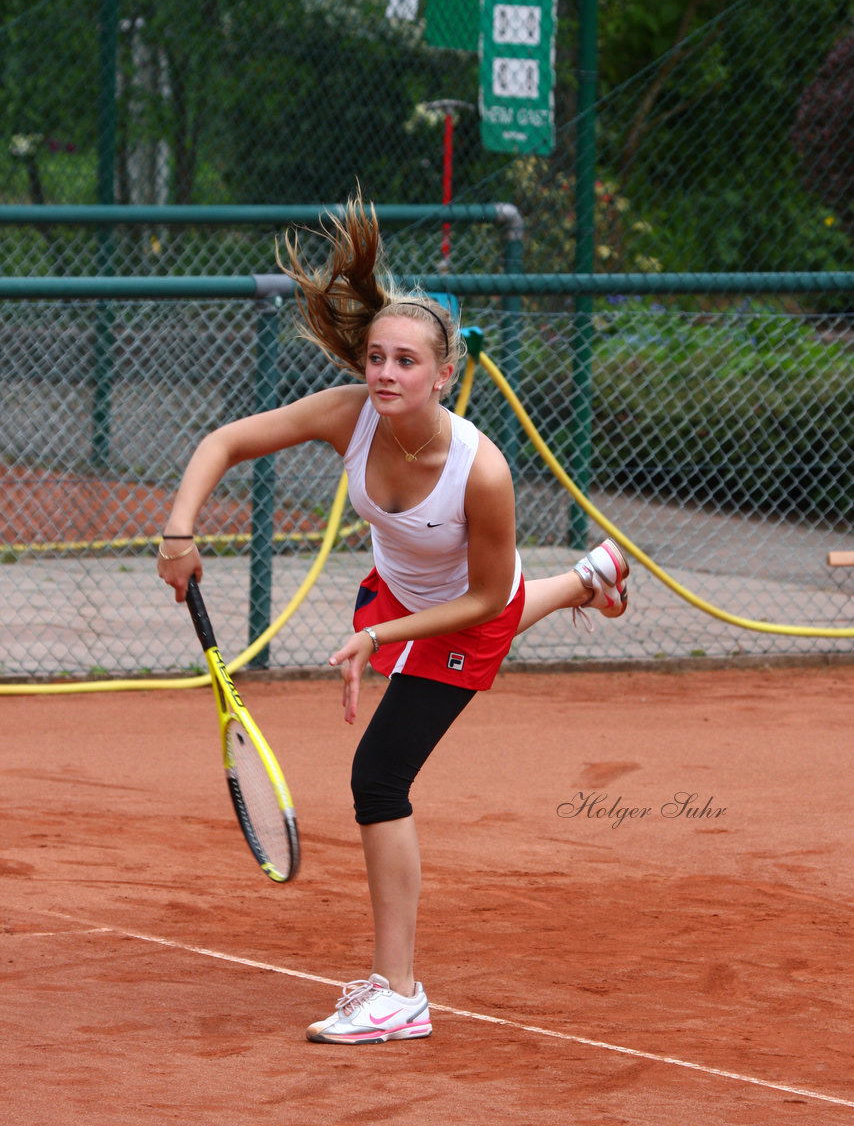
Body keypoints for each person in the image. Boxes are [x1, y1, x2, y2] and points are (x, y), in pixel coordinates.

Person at [156, 194, 629, 1045]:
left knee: (379, 780)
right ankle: (589, 578)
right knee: (511, 608)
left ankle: (399, 992)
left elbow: (486, 602)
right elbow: (223, 442)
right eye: (376, 357)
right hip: (402, 593)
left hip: (462, 610)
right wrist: (178, 530)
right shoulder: (351, 417)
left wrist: (379, 638)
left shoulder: (482, 475)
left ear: (442, 375)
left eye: (405, 362)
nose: (384, 373)